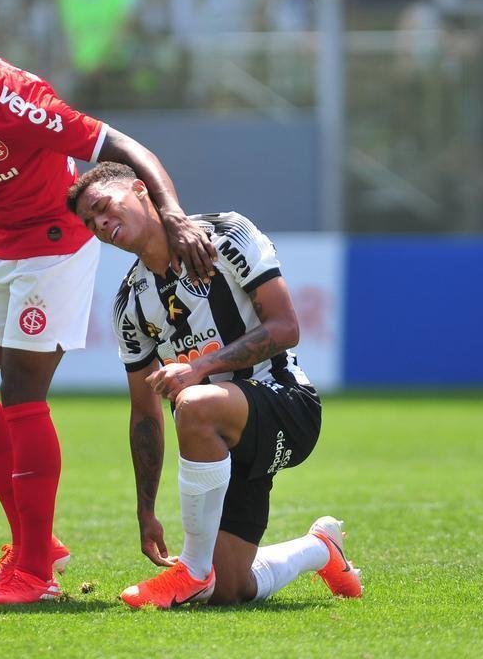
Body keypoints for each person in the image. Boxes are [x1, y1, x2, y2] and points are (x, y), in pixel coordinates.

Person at [0, 40, 214, 605]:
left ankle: (34, 573)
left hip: (52, 249)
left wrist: (173, 214)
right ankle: (36, 542)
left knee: (22, 389)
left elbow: (126, 147)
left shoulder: (22, 106)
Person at [67, 162, 363, 608]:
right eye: (91, 223)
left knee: (194, 402)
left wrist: (198, 368)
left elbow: (285, 327)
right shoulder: (130, 302)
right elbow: (145, 411)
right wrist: (145, 509)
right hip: (219, 437)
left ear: (141, 190)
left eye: (104, 208)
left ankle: (191, 568)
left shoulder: (225, 235)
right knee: (230, 590)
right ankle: (321, 548)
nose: (102, 225)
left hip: (285, 404)